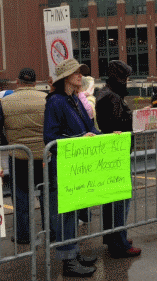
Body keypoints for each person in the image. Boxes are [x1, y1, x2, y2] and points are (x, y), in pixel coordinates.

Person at [44, 58, 100, 277]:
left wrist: (106, 135)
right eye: (76, 72)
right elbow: (50, 137)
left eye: (80, 72)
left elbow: (90, 128)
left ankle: (74, 253)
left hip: (76, 165)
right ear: (65, 77)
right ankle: (68, 260)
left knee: (73, 211)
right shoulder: (56, 102)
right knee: (66, 214)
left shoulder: (73, 100)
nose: (80, 75)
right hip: (64, 165)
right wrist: (79, 138)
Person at [95, 60, 142, 258]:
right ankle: (119, 242)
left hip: (111, 151)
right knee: (120, 200)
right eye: (126, 78)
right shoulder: (112, 97)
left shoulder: (105, 93)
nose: (128, 82)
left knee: (112, 199)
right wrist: (134, 119)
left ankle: (114, 236)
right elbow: (117, 123)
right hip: (116, 152)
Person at [0, 68, 49, 244]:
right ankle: (49, 231)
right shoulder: (46, 99)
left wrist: (9, 143)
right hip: (44, 157)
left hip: (19, 157)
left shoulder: (5, 102)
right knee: (46, 196)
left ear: (18, 82)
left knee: (21, 198)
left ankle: (23, 235)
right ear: (35, 83)